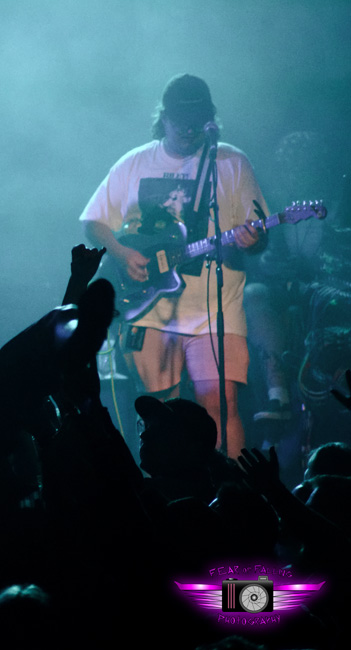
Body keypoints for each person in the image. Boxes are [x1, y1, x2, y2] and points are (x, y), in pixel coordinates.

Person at [80, 73, 267, 460]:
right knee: (158, 410)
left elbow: (258, 233)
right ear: (163, 117)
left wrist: (254, 239)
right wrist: (120, 252)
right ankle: (167, 496)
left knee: (220, 404)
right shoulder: (135, 162)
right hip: (149, 306)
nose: (187, 126)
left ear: (209, 118)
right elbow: (93, 220)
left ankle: (230, 493)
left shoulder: (231, 162)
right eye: (179, 117)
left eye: (196, 117)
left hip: (216, 307)